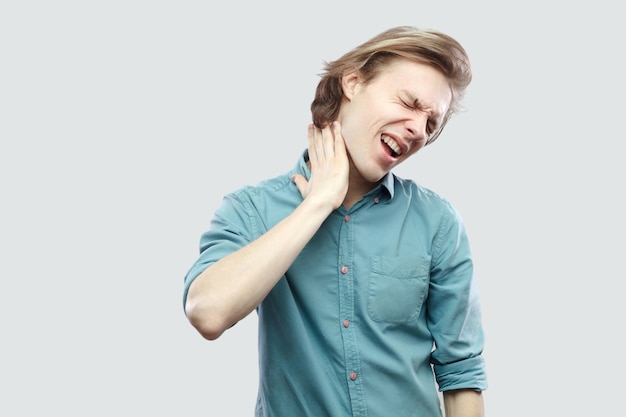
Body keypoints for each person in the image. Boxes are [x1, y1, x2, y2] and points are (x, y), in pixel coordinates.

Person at [183, 25, 488, 417]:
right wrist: (319, 203)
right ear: (354, 82)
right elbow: (207, 312)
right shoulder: (252, 209)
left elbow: (460, 373)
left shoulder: (438, 223)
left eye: (431, 123)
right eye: (410, 102)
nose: (417, 129)